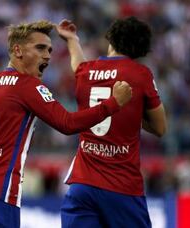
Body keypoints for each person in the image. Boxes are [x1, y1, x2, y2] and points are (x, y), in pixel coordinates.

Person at [0, 20, 132, 228]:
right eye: (40, 48)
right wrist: (112, 104)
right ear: (17, 50)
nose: (48, 55)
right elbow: (67, 123)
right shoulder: (27, 85)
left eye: (50, 50)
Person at [57, 17, 167, 228]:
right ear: (141, 49)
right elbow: (160, 128)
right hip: (122, 187)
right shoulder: (140, 74)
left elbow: (77, 64)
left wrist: (72, 40)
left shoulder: (86, 72)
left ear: (111, 40)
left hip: (82, 186)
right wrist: (131, 112)